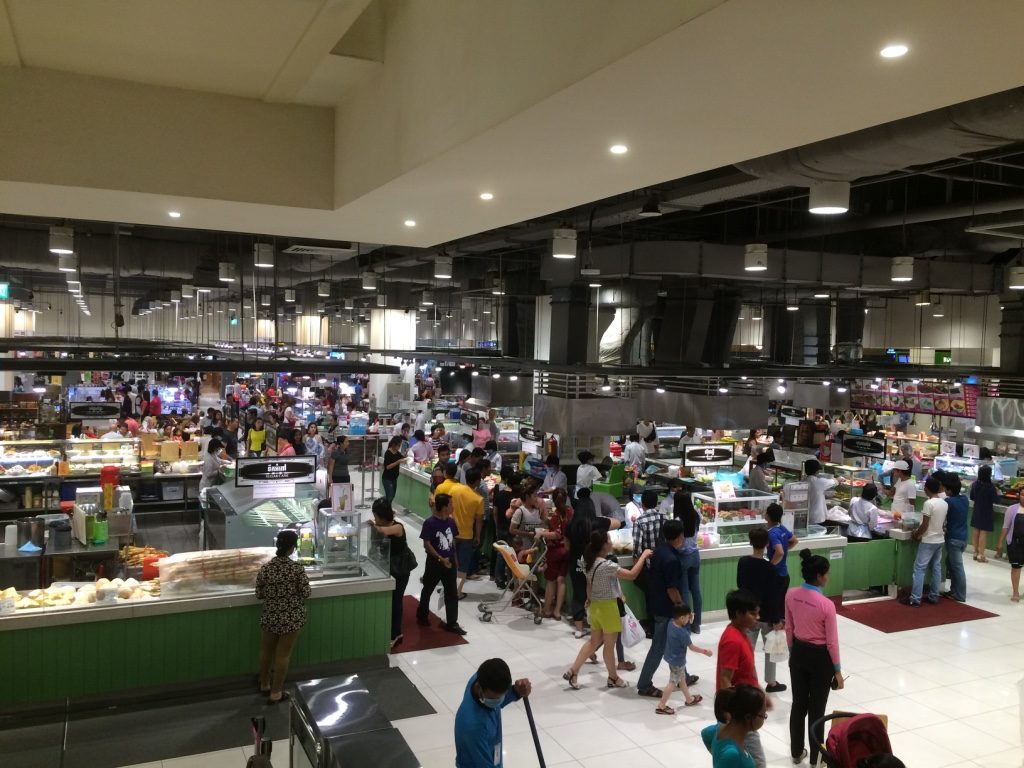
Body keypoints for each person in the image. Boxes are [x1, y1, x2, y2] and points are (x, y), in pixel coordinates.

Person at [563, 531, 652, 690]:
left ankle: (573, 670)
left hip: (595, 607)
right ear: (604, 545)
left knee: (593, 642)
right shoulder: (607, 565)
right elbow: (632, 575)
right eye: (610, 540)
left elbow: (589, 586)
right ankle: (613, 677)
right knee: (609, 647)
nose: (612, 542)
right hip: (609, 608)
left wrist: (589, 600)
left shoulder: (588, 563)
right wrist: (643, 556)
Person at [785, 549, 843, 765]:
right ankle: (816, 758)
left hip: (798, 652)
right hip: (820, 659)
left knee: (798, 704)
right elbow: (832, 642)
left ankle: (796, 752)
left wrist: (794, 652)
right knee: (817, 709)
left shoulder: (790, 594)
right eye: (826, 574)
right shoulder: (826, 605)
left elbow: (789, 627)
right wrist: (837, 670)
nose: (828, 577)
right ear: (819, 576)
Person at [255, 529, 311, 703]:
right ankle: (276, 692)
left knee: (266, 651)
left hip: (270, 616)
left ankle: (264, 683)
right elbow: (306, 592)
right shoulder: (296, 569)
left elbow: (259, 594)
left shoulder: (266, 569)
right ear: (292, 548)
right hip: (291, 618)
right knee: (283, 655)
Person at [717, 590, 769, 768]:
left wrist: (762, 693)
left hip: (748, 706)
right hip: (741, 713)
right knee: (758, 762)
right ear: (738, 614)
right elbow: (725, 679)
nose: (757, 617)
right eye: (753, 613)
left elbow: (747, 672)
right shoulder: (732, 640)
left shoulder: (742, 633)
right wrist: (733, 715)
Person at [637, 518, 687, 698]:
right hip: (666, 610)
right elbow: (671, 588)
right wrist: (682, 608)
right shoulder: (672, 559)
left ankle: (684, 676)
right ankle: (644, 684)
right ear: (680, 536)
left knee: (677, 643)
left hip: (656, 604)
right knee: (659, 647)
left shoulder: (659, 551)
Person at [454, 658, 531, 768]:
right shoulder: (473, 726)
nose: (497, 702)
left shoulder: (483, 678)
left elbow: (498, 698)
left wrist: (516, 691)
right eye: (493, 698)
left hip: (492, 753)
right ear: (479, 687)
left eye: (501, 696)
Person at [737, 527, 785, 693]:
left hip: (747, 613)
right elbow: (773, 596)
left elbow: (740, 587)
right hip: (766, 616)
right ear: (767, 543)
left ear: (750, 541)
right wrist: (777, 619)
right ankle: (771, 682)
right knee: (770, 650)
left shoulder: (743, 562)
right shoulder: (770, 569)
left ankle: (747, 680)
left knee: (747, 650)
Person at [416, 493, 466, 635]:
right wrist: (440, 558)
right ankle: (422, 614)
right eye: (451, 504)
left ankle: (452, 622)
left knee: (451, 592)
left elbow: (453, 541)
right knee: (428, 589)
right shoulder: (430, 523)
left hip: (449, 562)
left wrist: (454, 558)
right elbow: (427, 544)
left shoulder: (451, 521)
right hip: (435, 563)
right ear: (444, 507)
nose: (453, 507)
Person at [656, 603, 713, 714]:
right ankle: (661, 705)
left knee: (682, 679)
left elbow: (680, 623)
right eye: (688, 617)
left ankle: (689, 699)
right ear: (682, 618)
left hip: (670, 657)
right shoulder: (683, 633)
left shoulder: (671, 623)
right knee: (672, 682)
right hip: (677, 661)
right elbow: (692, 647)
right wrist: (705, 652)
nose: (689, 619)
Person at [371, 498, 411, 651]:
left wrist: (372, 526)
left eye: (376, 516)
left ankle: (395, 634)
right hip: (386, 567)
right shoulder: (379, 526)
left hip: (400, 569)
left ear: (382, 516)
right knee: (390, 600)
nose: (375, 519)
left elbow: (383, 531)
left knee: (396, 601)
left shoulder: (397, 527)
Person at [903, 476, 947, 607]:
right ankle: (934, 596)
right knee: (936, 568)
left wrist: (916, 534)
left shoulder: (929, 504)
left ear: (927, 489)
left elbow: (925, 525)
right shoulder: (944, 503)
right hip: (940, 539)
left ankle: (915, 598)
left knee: (919, 569)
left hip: (928, 540)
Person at [705, 684, 768, 768]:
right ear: (748, 717)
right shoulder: (732, 754)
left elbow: (705, 733)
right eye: (764, 715)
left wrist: (717, 754)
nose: (765, 717)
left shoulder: (719, 727)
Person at [450, 467, 485, 600]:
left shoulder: (455, 490)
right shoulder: (478, 499)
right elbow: (479, 522)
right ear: (477, 481)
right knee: (463, 566)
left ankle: (448, 588)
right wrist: (477, 536)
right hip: (466, 535)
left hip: (451, 532)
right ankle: (457, 592)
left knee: (451, 562)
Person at [540, 488, 571, 620]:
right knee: (561, 580)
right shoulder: (570, 511)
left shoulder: (556, 515)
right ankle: (557, 611)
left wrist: (541, 533)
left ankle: (546, 610)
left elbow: (557, 534)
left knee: (551, 582)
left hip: (555, 551)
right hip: (567, 549)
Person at [675, 490, 704, 634]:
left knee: (685, 592)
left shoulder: (679, 520)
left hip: (683, 557)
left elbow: (679, 543)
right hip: (695, 555)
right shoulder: (696, 515)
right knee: (696, 591)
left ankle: (686, 624)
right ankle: (697, 623)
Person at [937, 471, 968, 603]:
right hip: (963, 537)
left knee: (957, 567)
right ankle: (954, 591)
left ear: (949, 489)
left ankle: (960, 594)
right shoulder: (964, 499)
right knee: (951, 564)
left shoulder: (949, 501)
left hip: (953, 538)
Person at [765, 502, 796, 624]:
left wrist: (770, 566)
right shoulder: (782, 529)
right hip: (784, 574)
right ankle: (781, 628)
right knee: (780, 604)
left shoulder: (772, 533)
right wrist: (785, 548)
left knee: (773, 604)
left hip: (776, 575)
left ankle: (774, 629)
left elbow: (780, 552)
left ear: (767, 516)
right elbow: (794, 541)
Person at [998, 491, 1024, 601]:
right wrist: (1000, 542)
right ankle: (1015, 592)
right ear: (1019, 496)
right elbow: (1006, 527)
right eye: (1023, 494)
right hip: (1014, 543)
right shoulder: (1012, 509)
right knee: (1016, 567)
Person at [969, 464, 997, 562]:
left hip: (977, 509)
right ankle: (981, 554)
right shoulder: (991, 487)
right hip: (987, 510)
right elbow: (996, 499)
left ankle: (975, 552)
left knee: (976, 531)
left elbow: (972, 497)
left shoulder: (975, 484)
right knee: (983, 532)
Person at [803, 460, 836, 526]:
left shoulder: (804, 481)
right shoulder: (818, 482)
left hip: (807, 516)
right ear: (816, 471)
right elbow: (834, 482)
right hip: (817, 518)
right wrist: (839, 479)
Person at [381, 436, 405, 504]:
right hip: (387, 478)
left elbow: (402, 458)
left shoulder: (397, 453)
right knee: (390, 496)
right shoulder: (388, 453)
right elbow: (387, 467)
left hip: (394, 478)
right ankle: (387, 511)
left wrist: (406, 456)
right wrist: (398, 462)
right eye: (399, 445)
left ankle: (387, 509)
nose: (399, 447)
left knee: (392, 496)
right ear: (394, 444)